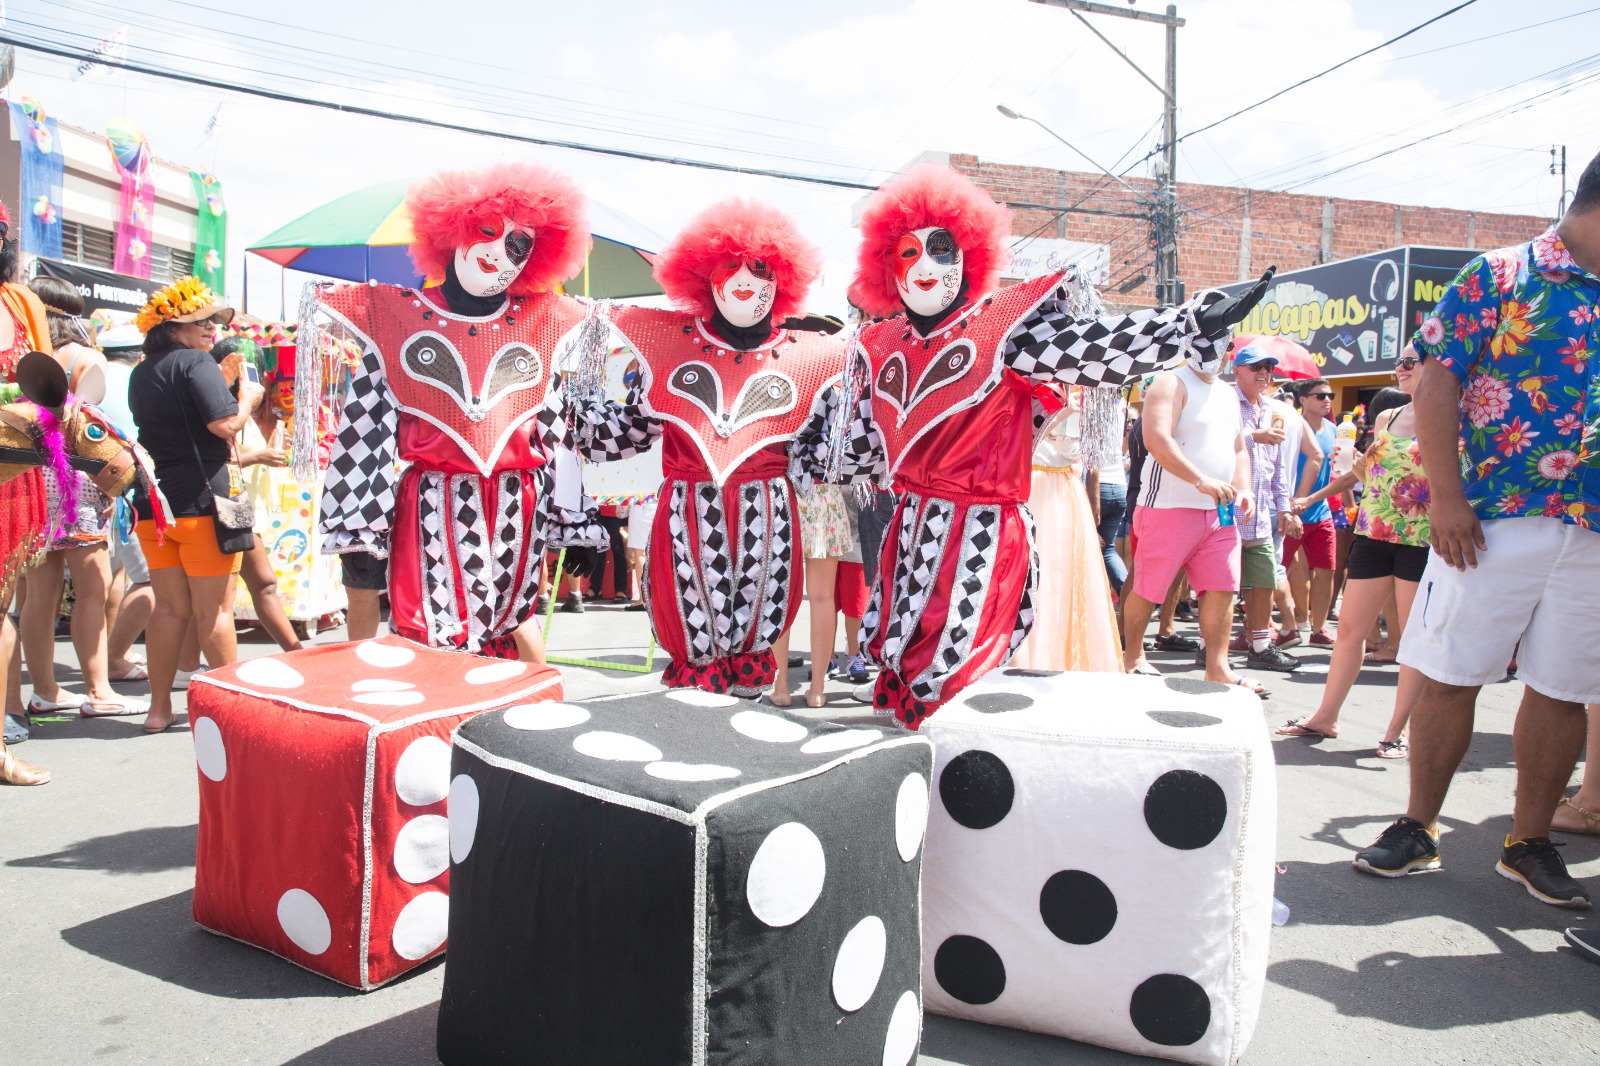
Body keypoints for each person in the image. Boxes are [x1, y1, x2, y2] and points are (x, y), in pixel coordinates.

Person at [819, 163, 1271, 727]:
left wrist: (1187, 322)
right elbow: (856, 446)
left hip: (980, 530)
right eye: (909, 253)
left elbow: (1097, 348)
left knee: (957, 676)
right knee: (908, 665)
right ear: (888, 266)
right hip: (909, 528)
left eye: (941, 248)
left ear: (968, 258)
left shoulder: (1005, 331)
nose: (927, 266)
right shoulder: (880, 343)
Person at [1353, 151, 1600, 909]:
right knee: (1453, 673)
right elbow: (1435, 379)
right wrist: (1448, 498)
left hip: (1591, 528)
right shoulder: (1502, 275)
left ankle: (1527, 843)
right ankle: (1417, 826)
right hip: (1490, 519)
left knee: (1561, 690)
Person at [310, 161, 593, 661]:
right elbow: (366, 429)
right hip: (433, 502)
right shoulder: (394, 314)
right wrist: (360, 523)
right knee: (433, 632)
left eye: (518, 246)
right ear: (454, 230)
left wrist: (573, 517)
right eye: (487, 232)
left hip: (515, 503)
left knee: (514, 620)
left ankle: (534, 720)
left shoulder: (542, 323)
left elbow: (553, 429)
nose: (498, 253)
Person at [575, 198, 842, 696]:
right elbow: (623, 434)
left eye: (759, 267)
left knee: (751, 667)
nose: (744, 279)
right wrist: (567, 402)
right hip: (687, 517)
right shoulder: (666, 345)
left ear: (782, 279)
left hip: (770, 518)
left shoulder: (813, 357)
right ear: (704, 275)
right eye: (729, 265)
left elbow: (829, 456)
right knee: (695, 672)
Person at [129, 276, 258, 734]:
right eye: (200, 321)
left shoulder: (142, 371)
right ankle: (233, 715)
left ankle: (158, 709)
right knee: (215, 611)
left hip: (154, 504)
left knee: (168, 610)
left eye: (213, 321)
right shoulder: (196, 363)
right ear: (171, 326)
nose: (210, 329)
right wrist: (247, 399)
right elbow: (225, 426)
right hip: (204, 501)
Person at [1279, 358, 1428, 756]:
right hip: (1373, 532)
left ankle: (1396, 731)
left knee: (1412, 641)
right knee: (1349, 632)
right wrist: (1312, 496)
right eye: (1401, 361)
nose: (1403, 367)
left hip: (1422, 538)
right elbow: (1364, 474)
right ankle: (1325, 717)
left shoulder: (1454, 417)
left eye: (1413, 361)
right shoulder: (1388, 418)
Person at [18, 277, 147, 719]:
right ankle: (98, 690)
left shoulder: (20, 353)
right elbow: (89, 424)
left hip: (32, 482)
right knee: (92, 587)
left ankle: (45, 690)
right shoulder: (84, 356)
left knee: (39, 595)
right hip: (74, 481)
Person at [1121, 344, 1260, 694]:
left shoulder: (1228, 393)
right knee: (1149, 586)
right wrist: (1200, 479)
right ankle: (1132, 656)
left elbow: (1238, 449)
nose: (1221, 350)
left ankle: (1218, 667)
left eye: (1228, 343)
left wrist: (1244, 489)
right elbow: (1156, 438)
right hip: (1168, 505)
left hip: (1221, 509)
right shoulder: (1170, 381)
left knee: (1222, 586)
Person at [1012, 384, 1121, 672]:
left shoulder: (1093, 387)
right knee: (1036, 575)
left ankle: (1062, 661)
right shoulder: (1032, 379)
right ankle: (1026, 658)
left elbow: (1088, 452)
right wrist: (1059, 415)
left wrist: (1093, 493)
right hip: (1033, 486)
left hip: (1067, 488)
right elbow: (1017, 431)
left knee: (1068, 574)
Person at [215, 336, 302, 655]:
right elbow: (221, 460)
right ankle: (297, 655)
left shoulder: (238, 408)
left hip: (241, 508)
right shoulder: (228, 407)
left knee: (242, 591)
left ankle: (297, 654)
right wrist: (260, 456)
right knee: (238, 593)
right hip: (231, 507)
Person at [1231, 344, 1301, 675]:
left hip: (1260, 517)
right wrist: (1252, 436)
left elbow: (1279, 468)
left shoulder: (1274, 409)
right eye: (1255, 366)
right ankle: (1207, 644)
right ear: (1237, 371)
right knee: (1218, 584)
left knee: (1263, 581)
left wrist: (1284, 509)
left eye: (1268, 367)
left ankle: (1260, 645)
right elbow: (1213, 442)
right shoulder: (1225, 403)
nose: (1264, 372)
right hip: (1227, 514)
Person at [94, 323, 154, 681]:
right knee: (151, 581)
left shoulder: (95, 378)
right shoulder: (135, 381)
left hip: (99, 493)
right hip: (128, 495)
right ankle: (113, 658)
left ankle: (109, 652)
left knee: (117, 575)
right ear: (140, 354)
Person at [771, 483, 852, 707]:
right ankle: (817, 690)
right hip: (825, 494)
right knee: (823, 597)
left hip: (784, 494)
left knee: (780, 593)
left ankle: (781, 686)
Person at [1284, 378, 1339, 647]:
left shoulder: (1334, 430)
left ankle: (1318, 629)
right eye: (1320, 396)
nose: (1327, 400)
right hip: (1289, 510)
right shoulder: (1291, 426)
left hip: (1321, 511)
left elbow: (1339, 469)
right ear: (1302, 399)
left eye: (1330, 395)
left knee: (1326, 570)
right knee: (1277, 570)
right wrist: (1289, 504)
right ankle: (1281, 625)